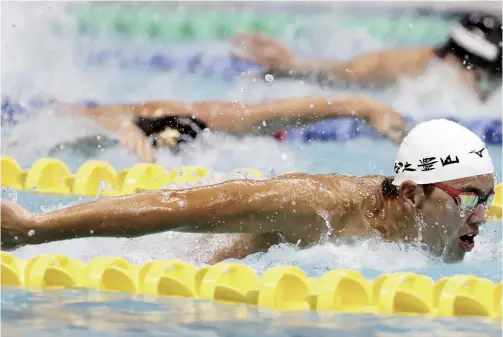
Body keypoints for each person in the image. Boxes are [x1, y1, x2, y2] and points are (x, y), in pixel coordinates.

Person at [1, 119, 496, 264]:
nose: (481, 217)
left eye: (488, 201)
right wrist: (34, 229)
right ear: (411, 195)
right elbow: (173, 208)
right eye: (471, 199)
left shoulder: (423, 233)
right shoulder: (316, 206)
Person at [13, 95, 406, 163]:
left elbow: (277, 112)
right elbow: (152, 113)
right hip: (42, 123)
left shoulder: (220, 124)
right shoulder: (180, 116)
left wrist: (364, 107)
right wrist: (129, 127)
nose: (166, 145)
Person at [231, 13, 502, 101]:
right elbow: (344, 73)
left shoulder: (456, 77)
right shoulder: (401, 68)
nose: (487, 94)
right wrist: (293, 67)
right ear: (453, 61)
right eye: (485, 82)